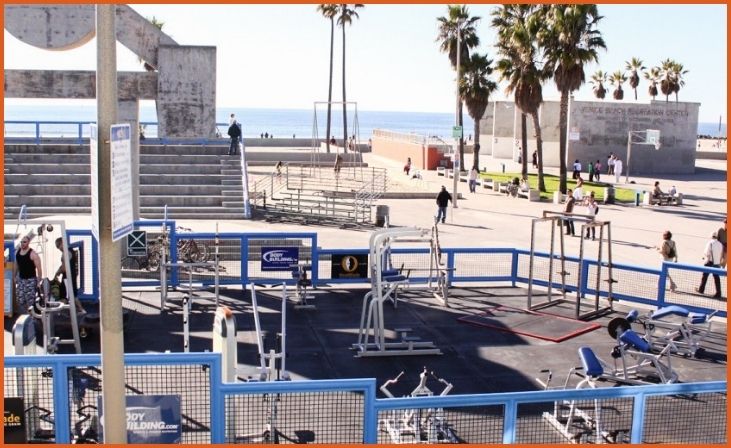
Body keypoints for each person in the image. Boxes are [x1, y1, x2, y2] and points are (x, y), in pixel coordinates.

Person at [54, 237, 86, 314]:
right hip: (72, 276)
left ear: (62, 243)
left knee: (64, 295)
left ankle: (59, 313)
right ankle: (81, 310)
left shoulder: (66, 253)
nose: (59, 249)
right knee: (72, 294)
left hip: (67, 277)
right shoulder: (71, 251)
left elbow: (64, 268)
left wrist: (57, 273)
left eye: (58, 246)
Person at [15, 236, 42, 314]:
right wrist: (14, 276)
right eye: (21, 242)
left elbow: (39, 269)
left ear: (28, 242)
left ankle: (32, 317)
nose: (22, 244)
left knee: (30, 300)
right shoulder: (18, 252)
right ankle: (25, 316)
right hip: (21, 279)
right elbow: (17, 265)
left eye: (24, 242)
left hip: (30, 280)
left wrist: (39, 281)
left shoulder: (33, 254)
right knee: (20, 300)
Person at [696, 232, 723, 298]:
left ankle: (701, 290)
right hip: (717, 263)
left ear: (711, 236)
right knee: (716, 278)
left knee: (704, 276)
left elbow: (706, 253)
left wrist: (704, 257)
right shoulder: (720, 244)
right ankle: (718, 293)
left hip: (710, 262)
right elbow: (721, 254)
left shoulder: (710, 243)